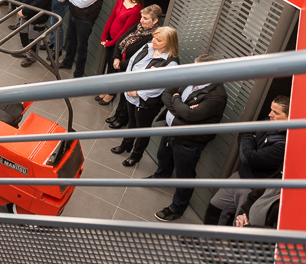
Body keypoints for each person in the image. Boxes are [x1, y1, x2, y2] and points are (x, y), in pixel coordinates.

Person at [152, 54, 227, 222]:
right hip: (172, 129)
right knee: (163, 155)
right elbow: (167, 93)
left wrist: (177, 99)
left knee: (184, 175)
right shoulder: (189, 77)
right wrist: (181, 109)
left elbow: (189, 114)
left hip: (189, 141)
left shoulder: (217, 95)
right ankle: (160, 177)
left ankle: (177, 207)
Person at [205, 96, 289, 225]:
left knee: (238, 222)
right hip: (239, 176)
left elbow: (248, 157)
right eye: (271, 110)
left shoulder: (284, 144)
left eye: (276, 113)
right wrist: (250, 138)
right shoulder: (268, 122)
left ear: (289, 117)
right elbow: (245, 131)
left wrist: (250, 139)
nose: (269, 114)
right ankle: (202, 238)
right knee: (215, 206)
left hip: (251, 188)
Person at [110, 26, 180, 167]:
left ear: (168, 43)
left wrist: (138, 92)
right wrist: (128, 83)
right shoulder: (147, 47)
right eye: (154, 37)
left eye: (158, 40)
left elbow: (160, 86)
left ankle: (136, 156)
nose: (153, 41)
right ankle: (126, 145)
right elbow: (132, 63)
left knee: (142, 129)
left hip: (147, 101)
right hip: (131, 92)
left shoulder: (171, 62)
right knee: (132, 123)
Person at [104, 4, 164, 129]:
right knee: (122, 94)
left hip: (132, 68)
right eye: (142, 17)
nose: (142, 20)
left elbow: (139, 58)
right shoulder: (139, 27)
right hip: (122, 63)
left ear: (155, 21)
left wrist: (120, 63)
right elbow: (121, 40)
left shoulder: (153, 37)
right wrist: (116, 57)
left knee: (127, 95)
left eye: (146, 18)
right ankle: (117, 115)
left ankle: (121, 119)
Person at [95, 0, 144, 104]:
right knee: (108, 65)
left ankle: (112, 93)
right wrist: (104, 36)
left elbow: (124, 32)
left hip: (119, 43)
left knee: (114, 68)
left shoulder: (136, 10)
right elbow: (112, 17)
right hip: (111, 38)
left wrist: (111, 43)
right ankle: (107, 88)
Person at [59, 0, 106, 77]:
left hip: (85, 20)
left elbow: (83, 4)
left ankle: (78, 74)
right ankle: (67, 62)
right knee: (70, 40)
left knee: (81, 47)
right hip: (74, 15)